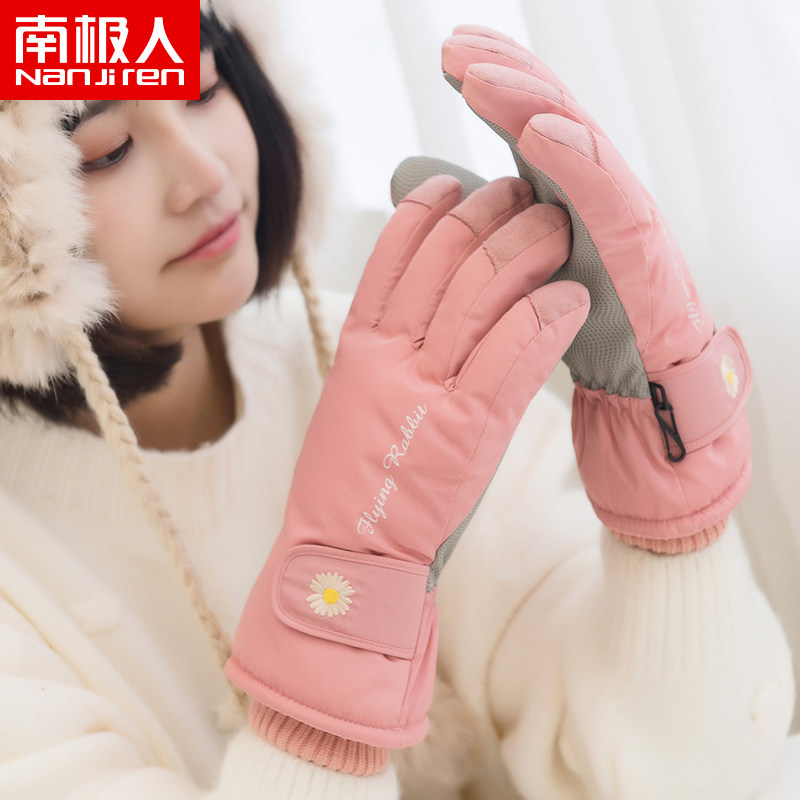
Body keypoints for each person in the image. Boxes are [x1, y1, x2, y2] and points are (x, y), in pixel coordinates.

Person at [0, 1, 794, 798]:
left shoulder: (396, 367)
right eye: (108, 151)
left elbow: (695, 771)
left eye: (203, 90)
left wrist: (669, 487)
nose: (204, 176)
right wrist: (338, 623)